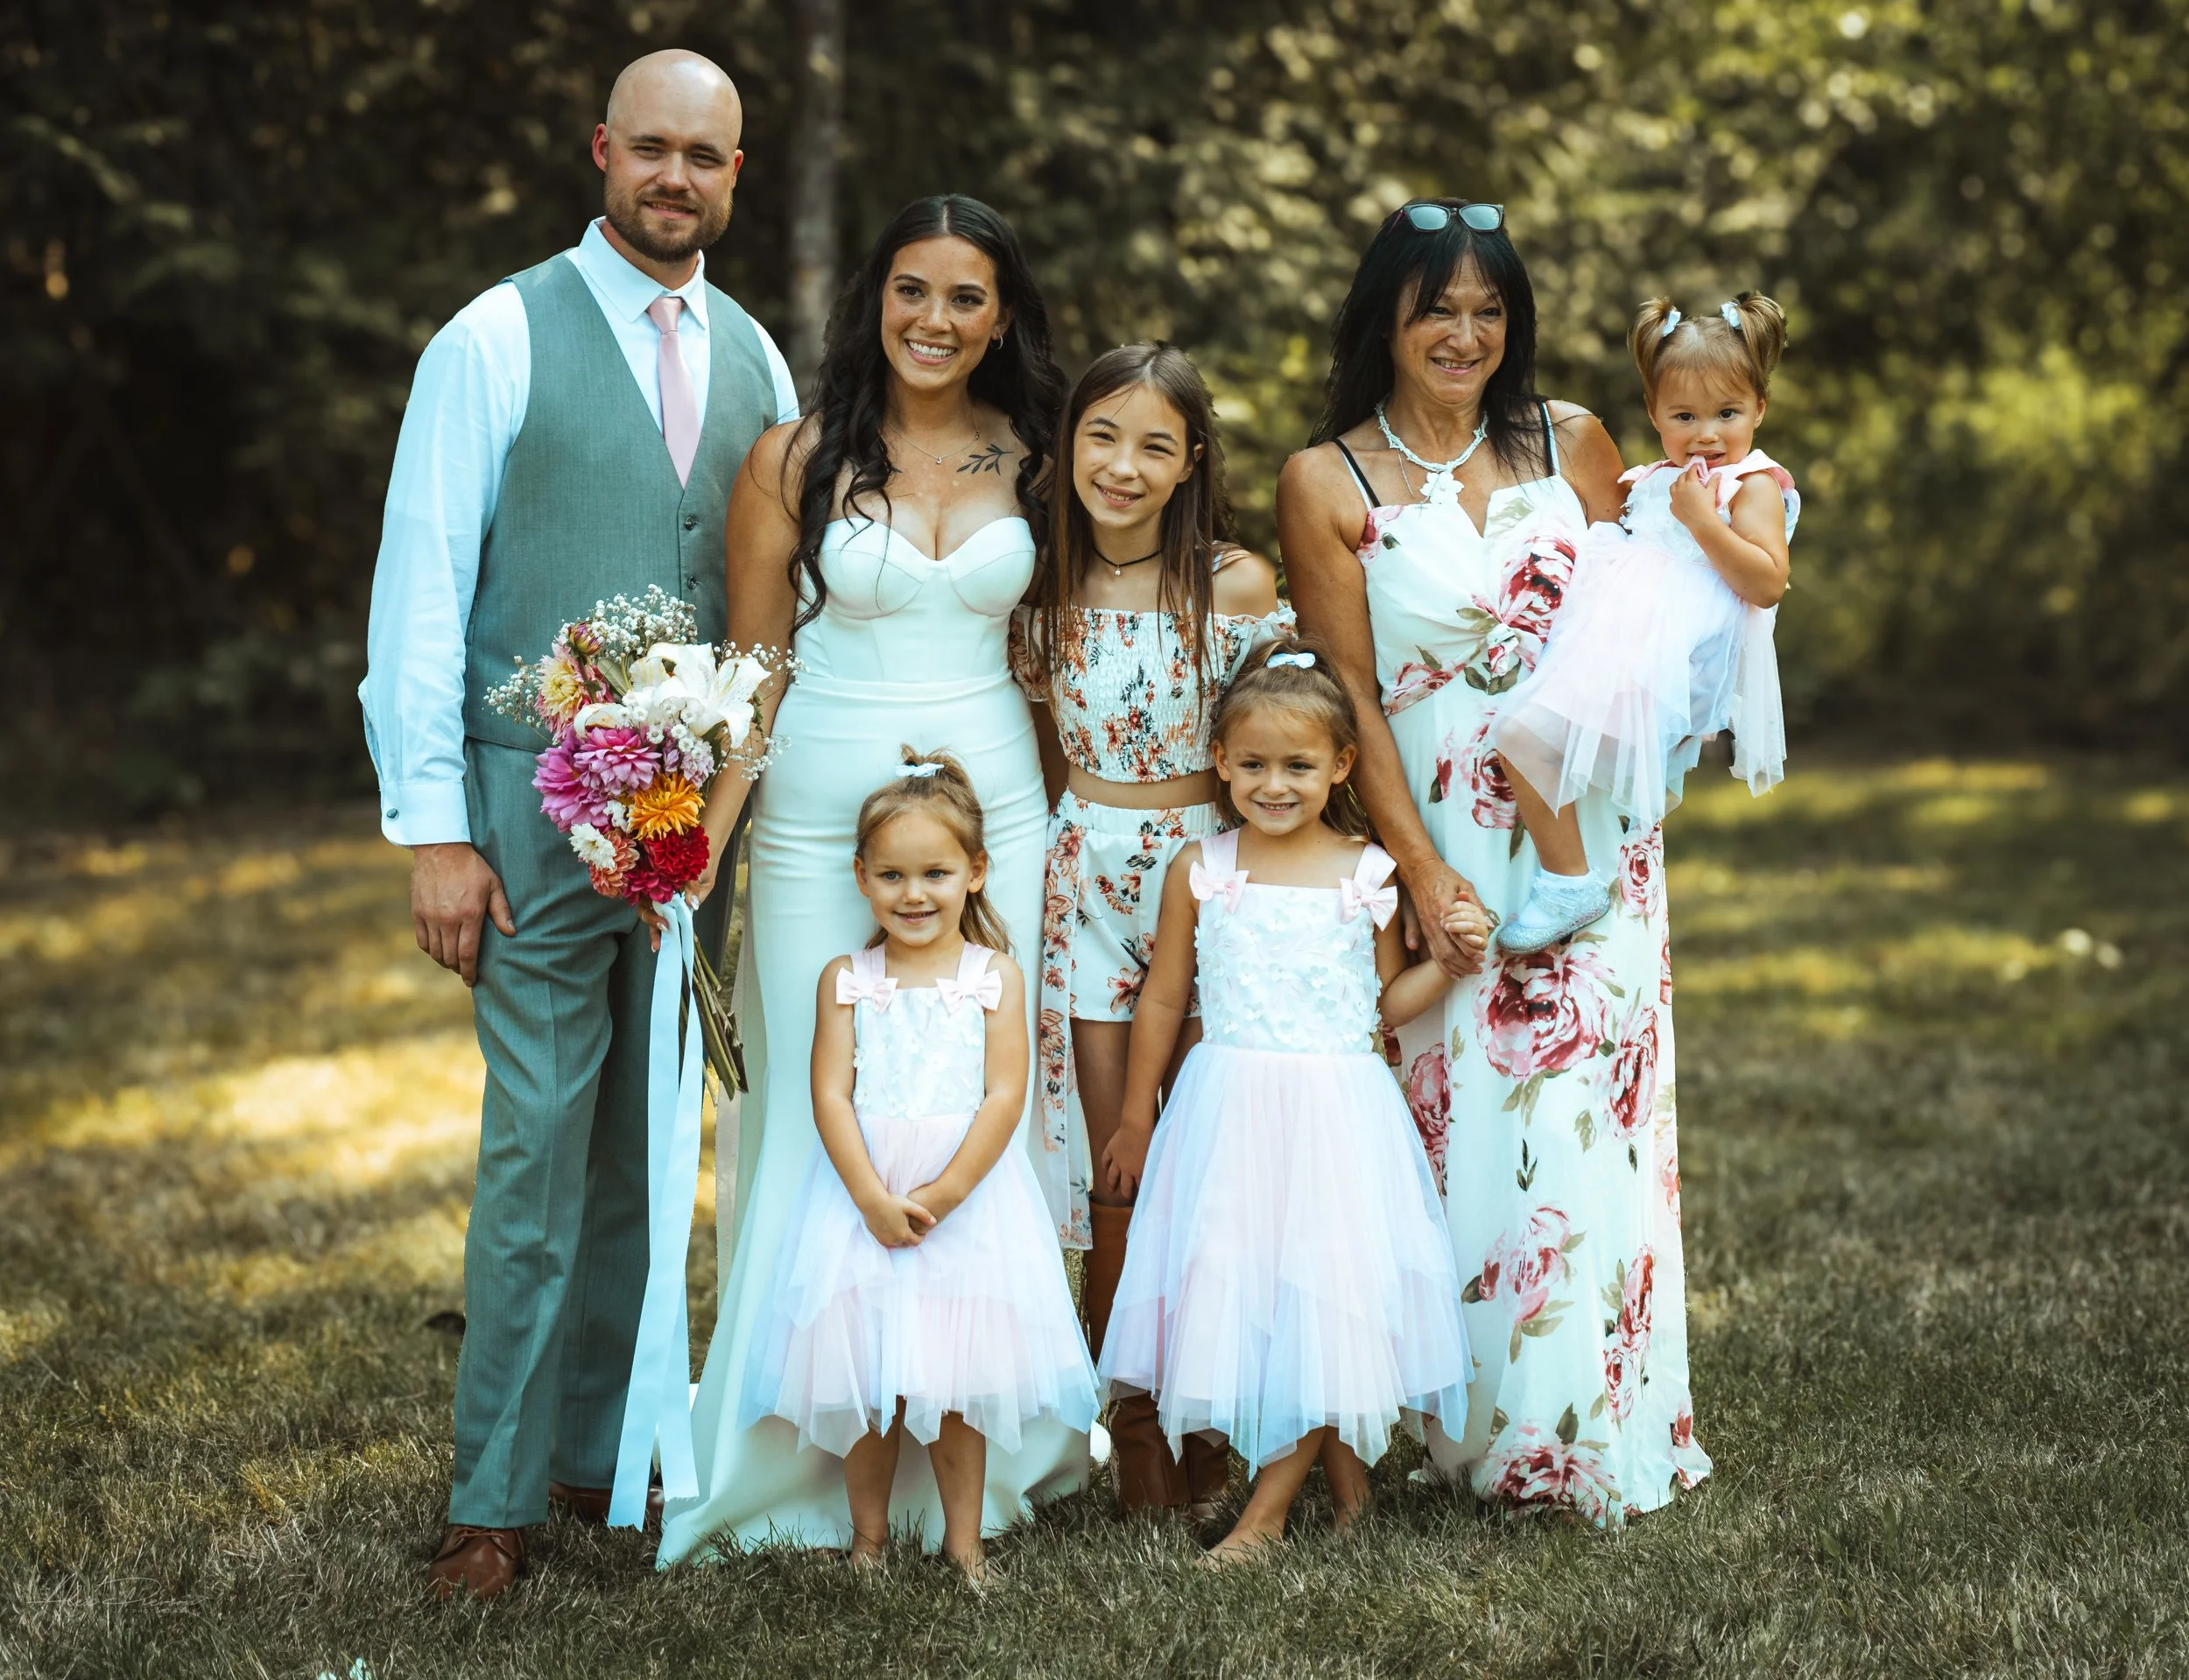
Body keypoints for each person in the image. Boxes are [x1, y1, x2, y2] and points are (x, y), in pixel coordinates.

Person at [355, 49, 799, 1600]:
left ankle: (600, 1459)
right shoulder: (493, 337)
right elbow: (420, 590)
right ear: (604, 152)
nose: (677, 178)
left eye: (709, 157)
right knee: (537, 1140)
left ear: (740, 176)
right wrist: (432, 825)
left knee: (648, 1141)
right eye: (653, 149)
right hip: (530, 813)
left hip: (695, 827)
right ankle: (492, 1497)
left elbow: (770, 612)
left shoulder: (760, 360)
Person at [662, 195, 1087, 1564]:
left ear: (1002, 315)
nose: (936, 320)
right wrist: (707, 839)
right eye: (913, 290)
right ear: (875, 299)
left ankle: (977, 1453)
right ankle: (786, 1456)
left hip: (997, 816)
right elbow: (755, 662)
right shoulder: (797, 458)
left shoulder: (1040, 457)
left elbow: (1094, 620)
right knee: (809, 1102)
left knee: (979, 1097)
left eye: (966, 297)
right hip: (815, 814)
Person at [1280, 199, 1713, 1527]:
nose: (1465, 334)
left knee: (1588, 1115)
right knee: (1451, 1114)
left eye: (1489, 310)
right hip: (1439, 825)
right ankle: (1452, 1423)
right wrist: (1417, 869)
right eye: (1436, 310)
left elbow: (1654, 613)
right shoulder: (1326, 478)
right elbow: (1349, 691)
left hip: (1579, 827)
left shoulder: (1571, 441)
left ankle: (1586, 1427)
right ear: (1386, 321)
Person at [1097, 640, 1478, 1564]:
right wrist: (1136, 1114)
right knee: (1253, 1281)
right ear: (1220, 762)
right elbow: (1162, 994)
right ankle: (1349, 1496)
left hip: (1336, 1111)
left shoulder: (1369, 873)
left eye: (1298, 765)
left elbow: (1378, 1007)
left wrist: (1445, 969)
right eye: (1254, 764)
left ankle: (1264, 1519)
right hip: (1226, 1107)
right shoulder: (1203, 866)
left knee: (1327, 1284)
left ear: (1341, 765)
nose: (1274, 784)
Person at [1006, 341, 1288, 1518]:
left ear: (1191, 464)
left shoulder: (1231, 585)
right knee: (1114, 1171)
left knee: (1207, 1156)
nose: (1123, 466)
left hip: (1205, 877)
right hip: (1084, 879)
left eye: (1155, 446)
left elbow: (1279, 744)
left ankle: (1211, 1410)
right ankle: (1131, 1423)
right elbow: (1036, 745)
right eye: (1102, 437)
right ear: (1067, 445)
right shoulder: (1035, 579)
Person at [737, 752, 1096, 1579]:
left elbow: (1006, 1096)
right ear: (861, 876)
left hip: (965, 1201)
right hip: (864, 1197)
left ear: (975, 872)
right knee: (867, 1379)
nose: (914, 893)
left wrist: (945, 1190)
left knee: (960, 1380)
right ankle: (867, 1540)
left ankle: (964, 1545)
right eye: (892, 874)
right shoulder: (848, 981)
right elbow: (828, 1094)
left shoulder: (993, 977)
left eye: (935, 871)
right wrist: (871, 1196)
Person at [1490, 294, 1796, 952]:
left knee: (1522, 730)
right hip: (1623, 626)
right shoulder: (1657, 477)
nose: (1706, 433)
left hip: (1670, 640)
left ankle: (1569, 879)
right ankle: (1569, 874)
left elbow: (1767, 581)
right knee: (1522, 732)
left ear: (1760, 411)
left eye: (1728, 413)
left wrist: (1704, 521)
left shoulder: (1753, 482)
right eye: (1684, 415)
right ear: (1655, 413)